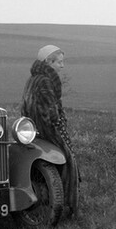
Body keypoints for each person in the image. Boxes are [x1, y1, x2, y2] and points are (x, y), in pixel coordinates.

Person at [21, 44, 79, 216]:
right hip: (48, 129)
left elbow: (25, 107)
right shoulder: (46, 81)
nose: (62, 66)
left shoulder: (33, 79)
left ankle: (53, 199)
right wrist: (58, 123)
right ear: (49, 62)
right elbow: (50, 112)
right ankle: (68, 204)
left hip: (33, 128)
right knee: (68, 161)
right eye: (59, 62)